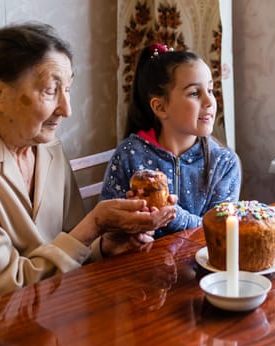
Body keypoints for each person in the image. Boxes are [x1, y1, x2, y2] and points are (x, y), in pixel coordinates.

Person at [0, 23, 176, 346]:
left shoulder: (48, 149)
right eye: (51, 90)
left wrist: (106, 244)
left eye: (68, 89)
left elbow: (64, 245)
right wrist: (94, 223)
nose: (66, 109)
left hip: (47, 321)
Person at [100, 43, 241, 238]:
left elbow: (220, 231)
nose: (210, 102)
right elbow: (107, 228)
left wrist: (172, 214)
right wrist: (131, 227)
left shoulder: (224, 162)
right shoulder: (129, 155)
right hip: (139, 265)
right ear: (160, 107)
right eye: (194, 93)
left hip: (201, 265)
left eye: (210, 89)